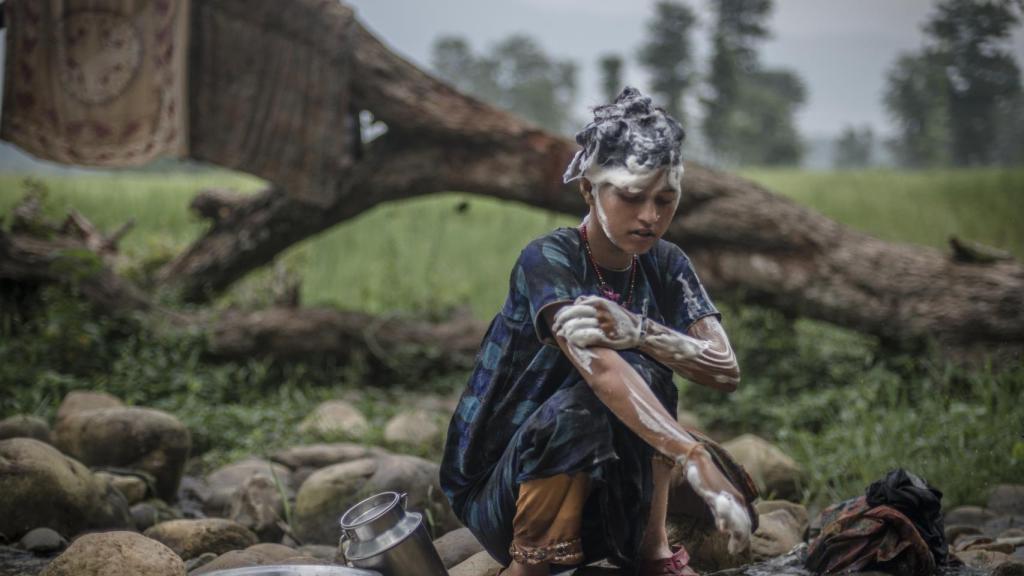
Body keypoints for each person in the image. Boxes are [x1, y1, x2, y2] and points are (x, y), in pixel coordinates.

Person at [439, 87, 754, 576]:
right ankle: (531, 566)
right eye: (631, 197)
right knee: (586, 405)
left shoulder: (666, 264)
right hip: (503, 490)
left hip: (605, 489)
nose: (650, 216)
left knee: (653, 371)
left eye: (665, 200)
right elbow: (602, 372)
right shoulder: (549, 259)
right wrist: (692, 455)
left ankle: (651, 551)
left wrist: (643, 332)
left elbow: (724, 368)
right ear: (589, 190)